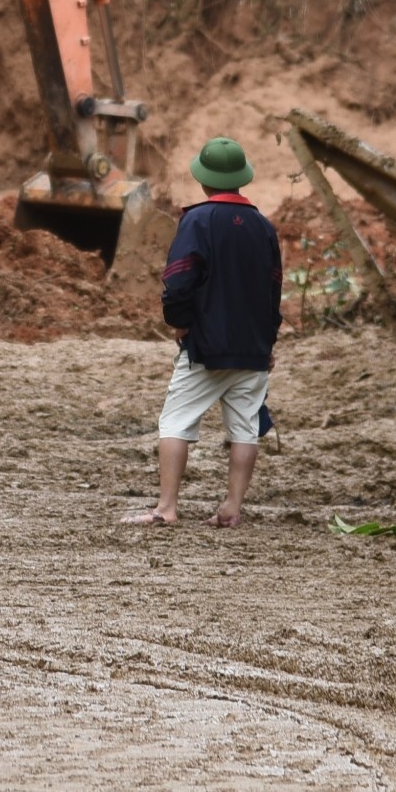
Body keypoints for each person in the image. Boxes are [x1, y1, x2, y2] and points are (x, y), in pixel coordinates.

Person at [123, 136, 281, 529]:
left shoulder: (197, 220)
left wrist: (179, 322)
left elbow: (179, 280)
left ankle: (166, 508)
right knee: (245, 428)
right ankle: (232, 508)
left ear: (203, 178)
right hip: (253, 348)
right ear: (241, 177)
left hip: (206, 346)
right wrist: (268, 342)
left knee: (175, 422)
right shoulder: (264, 226)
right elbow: (273, 290)